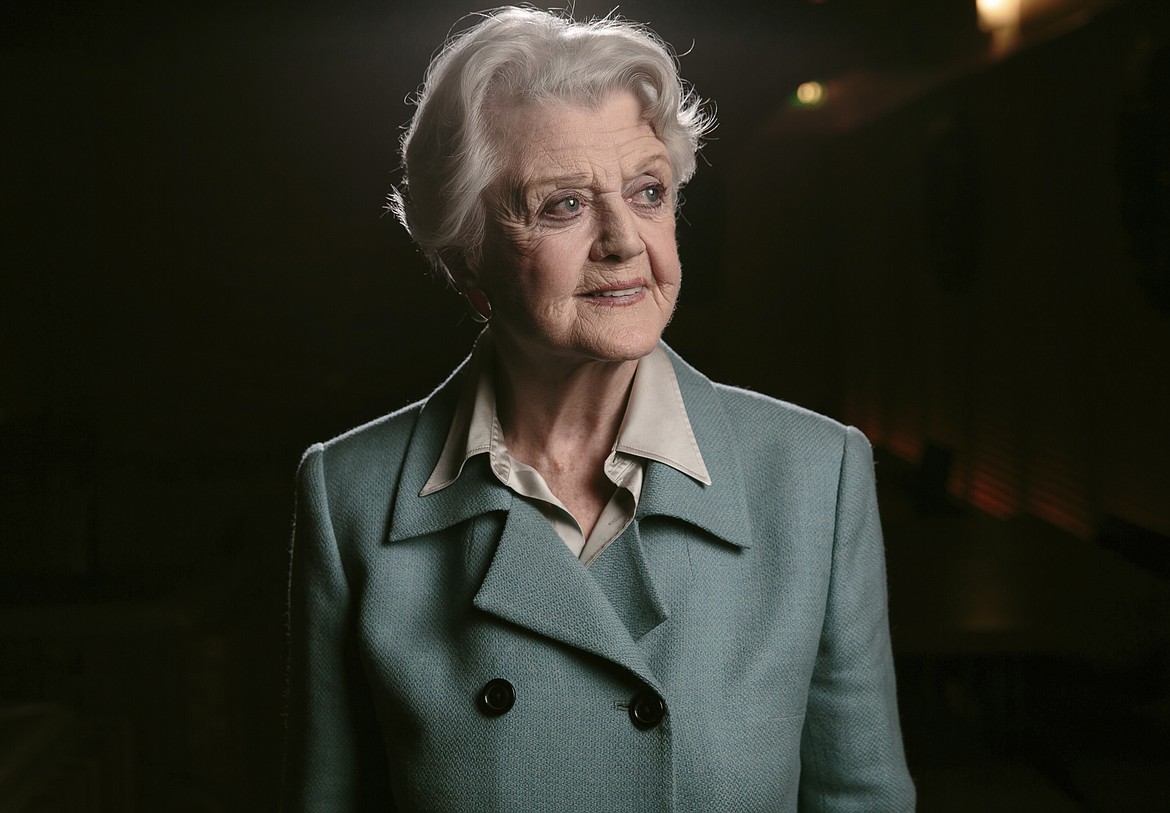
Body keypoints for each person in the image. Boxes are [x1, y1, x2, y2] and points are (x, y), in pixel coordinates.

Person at [283, 7, 915, 812]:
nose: (624, 238)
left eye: (647, 191)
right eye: (562, 205)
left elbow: (862, 799)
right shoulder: (350, 496)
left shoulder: (816, 475)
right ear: (468, 251)